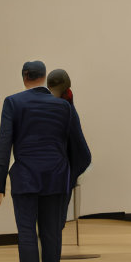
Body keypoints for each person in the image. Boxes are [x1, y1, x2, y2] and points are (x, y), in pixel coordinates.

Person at [0, 61, 90, 262]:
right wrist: (70, 174)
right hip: (56, 177)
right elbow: (79, 147)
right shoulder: (63, 107)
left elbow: (4, 143)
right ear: (44, 77)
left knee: (27, 233)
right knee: (51, 233)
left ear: (25, 76)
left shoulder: (13, 103)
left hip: (25, 177)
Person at [46, 69, 88, 229]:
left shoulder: (65, 107)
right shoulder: (66, 104)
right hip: (60, 166)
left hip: (62, 167)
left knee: (55, 217)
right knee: (54, 217)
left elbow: (76, 141)